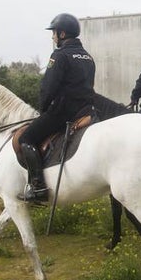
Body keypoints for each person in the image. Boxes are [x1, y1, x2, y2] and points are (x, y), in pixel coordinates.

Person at [16, 13, 96, 203]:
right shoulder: (88, 57)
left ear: (62, 33)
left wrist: (43, 111)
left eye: (54, 33)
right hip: (85, 110)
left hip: (62, 111)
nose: (52, 37)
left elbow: (48, 87)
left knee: (26, 138)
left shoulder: (59, 56)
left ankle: (37, 186)